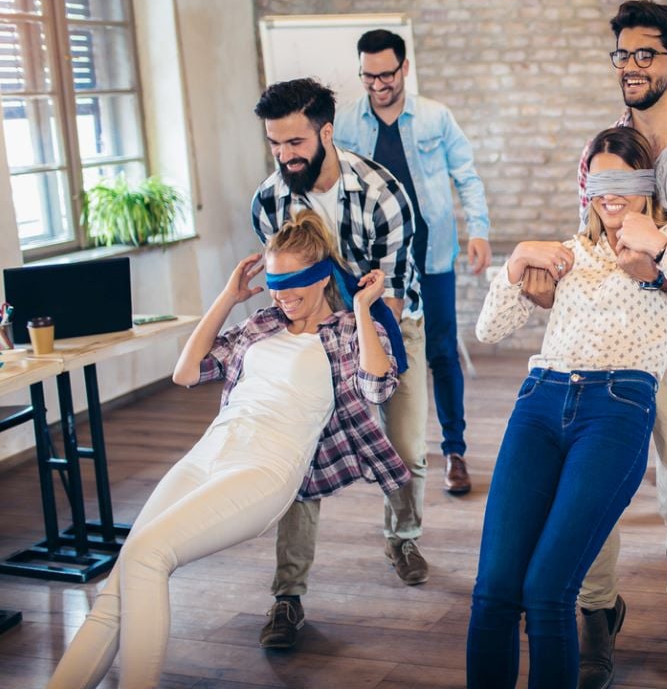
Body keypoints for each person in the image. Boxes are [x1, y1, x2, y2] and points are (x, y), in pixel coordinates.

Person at [47, 211, 408, 689]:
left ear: (322, 276)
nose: (282, 294)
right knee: (123, 576)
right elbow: (186, 372)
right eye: (275, 281)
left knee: (150, 554)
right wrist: (227, 298)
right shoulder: (263, 323)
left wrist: (364, 309)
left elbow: (379, 387)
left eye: (293, 282)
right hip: (209, 454)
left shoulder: (347, 333)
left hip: (265, 468)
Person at [467, 126, 667, 689]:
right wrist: (517, 261)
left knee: (547, 589)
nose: (610, 194)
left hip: (615, 407)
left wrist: (659, 245)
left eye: (624, 180)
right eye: (599, 181)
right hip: (540, 401)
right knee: (495, 587)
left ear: (648, 184)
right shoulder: (567, 251)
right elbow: (489, 329)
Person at [523, 0, 667, 682]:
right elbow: (592, 242)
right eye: (622, 55)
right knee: (594, 490)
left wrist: (654, 271)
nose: (630, 67)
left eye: (644, 54)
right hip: (609, 347)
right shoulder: (600, 147)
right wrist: (549, 281)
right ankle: (597, 611)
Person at [250, 78, 429, 653]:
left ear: (327, 131)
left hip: (390, 324)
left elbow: (393, 294)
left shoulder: (382, 192)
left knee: (404, 445)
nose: (285, 156)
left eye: (296, 142)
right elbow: (287, 292)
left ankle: (402, 538)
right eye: (276, 144)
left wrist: (366, 372)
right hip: (311, 336)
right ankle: (288, 595)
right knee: (299, 460)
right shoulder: (269, 201)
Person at [334, 28, 492, 496]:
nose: (379, 85)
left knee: (443, 352)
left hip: (432, 254)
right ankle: (390, 452)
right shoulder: (345, 124)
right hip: (373, 261)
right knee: (376, 351)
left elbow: (467, 174)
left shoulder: (435, 118)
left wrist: (478, 230)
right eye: (369, 77)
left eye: (386, 75)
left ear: (404, 68)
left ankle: (455, 451)